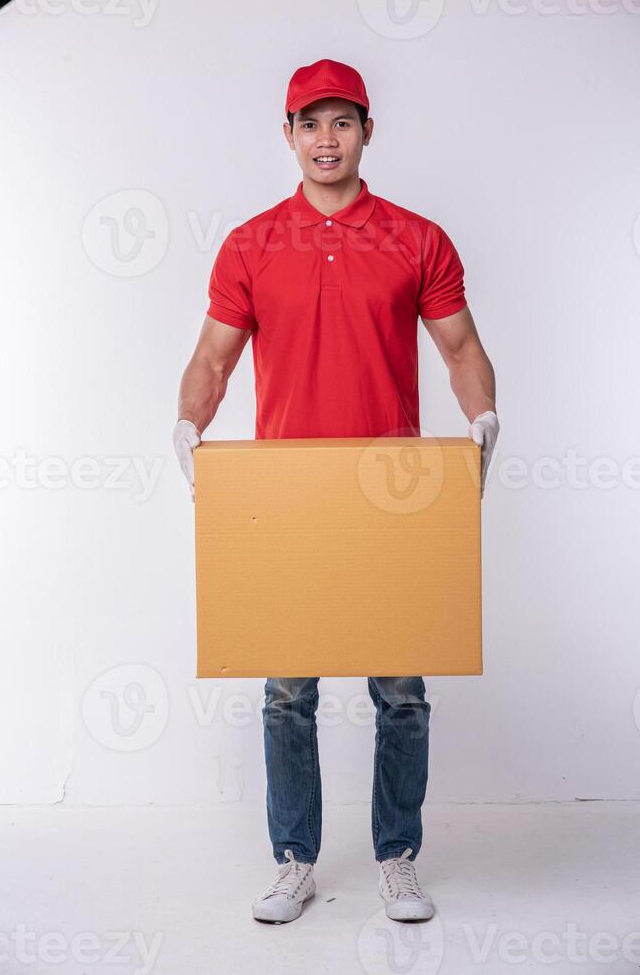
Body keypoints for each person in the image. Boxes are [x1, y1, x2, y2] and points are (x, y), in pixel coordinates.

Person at [173, 58, 499, 925]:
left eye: (341, 122)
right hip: (285, 496)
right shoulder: (249, 243)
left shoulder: (416, 237)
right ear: (287, 136)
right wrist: (187, 424)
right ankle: (294, 862)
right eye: (309, 124)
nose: (326, 139)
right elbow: (213, 357)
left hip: (392, 493)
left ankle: (397, 857)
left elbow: (460, 347)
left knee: (400, 691)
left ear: (366, 132)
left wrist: (483, 418)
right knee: (288, 692)